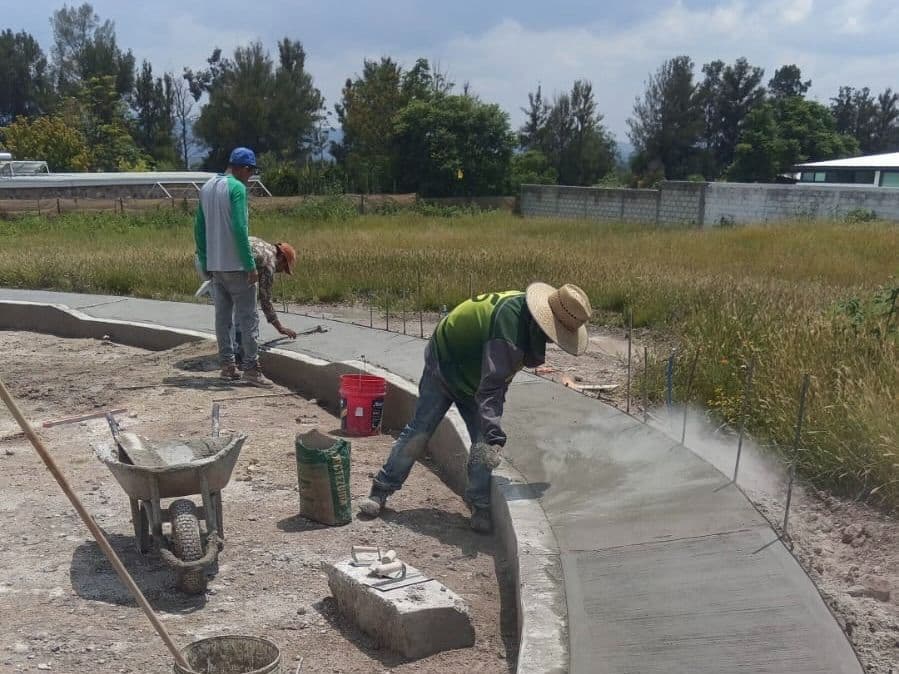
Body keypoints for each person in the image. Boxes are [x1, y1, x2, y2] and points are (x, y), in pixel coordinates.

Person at [359, 282, 592, 533]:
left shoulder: (523, 314)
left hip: (474, 376)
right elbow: (492, 386)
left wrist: (489, 431)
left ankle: (478, 504)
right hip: (444, 365)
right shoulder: (509, 332)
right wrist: (494, 433)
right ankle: (380, 491)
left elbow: (497, 382)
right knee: (420, 431)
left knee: (482, 441)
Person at [194, 146, 272, 387]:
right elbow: (240, 228)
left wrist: (206, 261)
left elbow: (199, 228)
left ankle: (227, 366)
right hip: (237, 266)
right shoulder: (237, 188)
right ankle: (251, 368)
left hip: (216, 266)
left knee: (222, 318)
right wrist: (250, 265)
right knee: (248, 318)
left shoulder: (207, 187)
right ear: (243, 168)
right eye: (250, 172)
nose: (250, 178)